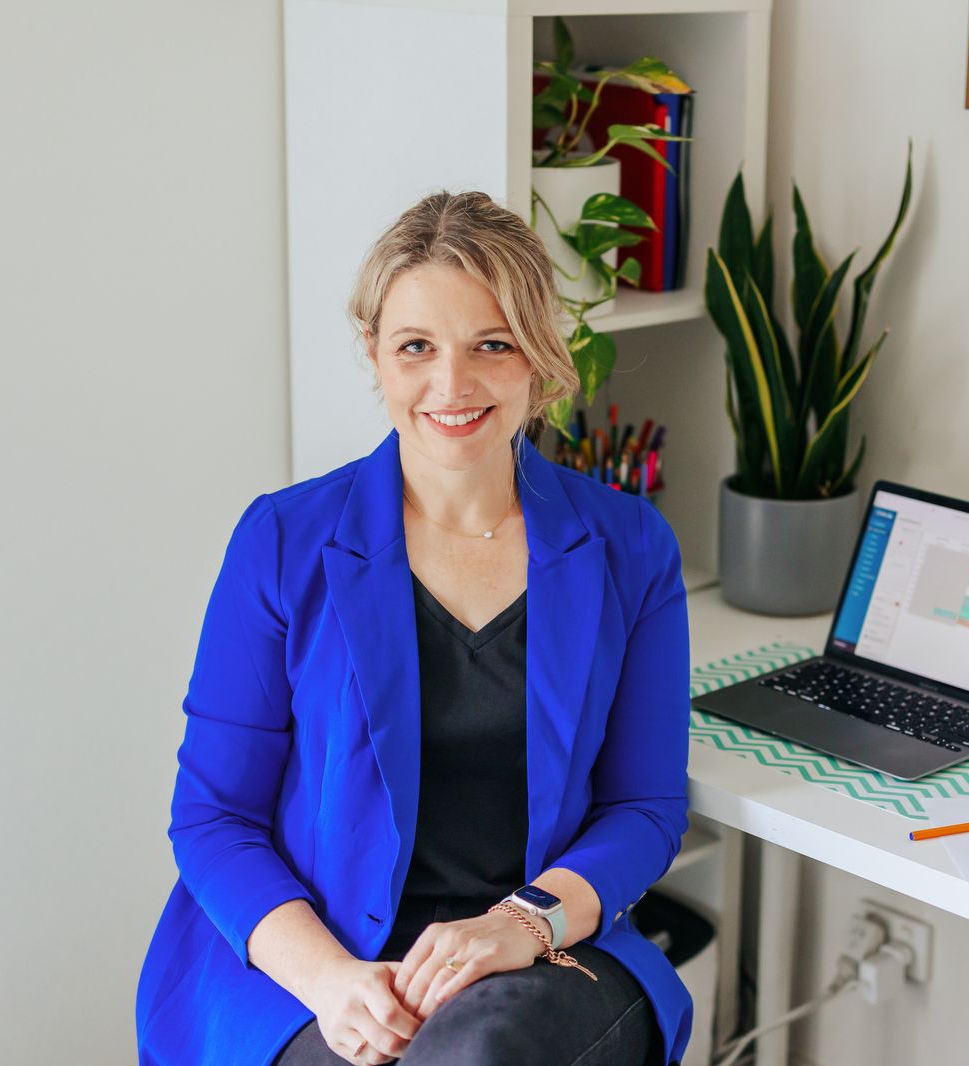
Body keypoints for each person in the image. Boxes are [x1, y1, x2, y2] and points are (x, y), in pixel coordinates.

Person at [134, 190, 694, 1066]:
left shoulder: (630, 548)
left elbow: (645, 807)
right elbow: (214, 817)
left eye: (492, 345)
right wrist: (329, 980)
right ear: (375, 354)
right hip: (320, 956)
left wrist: (523, 922)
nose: (452, 385)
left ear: (540, 351)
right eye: (416, 347)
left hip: (535, 953)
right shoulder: (283, 541)